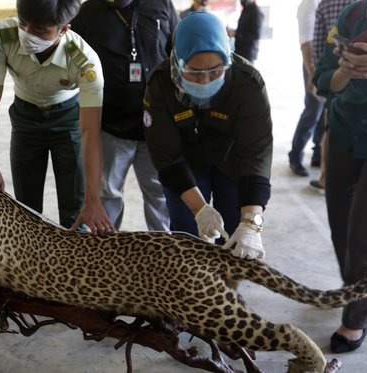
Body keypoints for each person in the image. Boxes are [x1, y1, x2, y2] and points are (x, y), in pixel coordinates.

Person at [0, 0, 115, 234]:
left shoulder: (85, 61)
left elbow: (90, 131)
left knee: (76, 208)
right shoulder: (3, 36)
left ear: (63, 29)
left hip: (68, 119)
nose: (27, 34)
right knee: (25, 210)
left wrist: (93, 198)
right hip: (25, 118)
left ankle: (74, 264)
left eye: (40, 29)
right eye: (23, 23)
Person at [143, 12, 273, 259]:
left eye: (215, 72)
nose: (204, 81)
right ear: (178, 62)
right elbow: (166, 157)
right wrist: (200, 209)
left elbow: (256, 154)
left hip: (232, 160)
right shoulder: (160, 84)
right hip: (185, 163)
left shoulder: (248, 83)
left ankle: (228, 291)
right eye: (193, 72)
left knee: (236, 230)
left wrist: (251, 222)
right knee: (187, 233)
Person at [70, 0, 177, 231]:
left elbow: (175, 54)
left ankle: (163, 257)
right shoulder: (88, 12)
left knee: (160, 195)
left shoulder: (161, 5)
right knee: (107, 195)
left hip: (156, 127)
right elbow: (70, 53)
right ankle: (106, 257)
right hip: (111, 127)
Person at [312, 0, 367, 354]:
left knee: (363, 235)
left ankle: (355, 319)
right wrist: (347, 71)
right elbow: (323, 80)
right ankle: (358, 293)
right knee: (340, 226)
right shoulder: (352, 14)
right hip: (345, 131)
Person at [308, 0, 355, 191]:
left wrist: (315, 75)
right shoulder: (355, 8)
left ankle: (325, 178)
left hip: (335, 78)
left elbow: (318, 46)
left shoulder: (325, 4)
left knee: (330, 129)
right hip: (340, 79)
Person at [288, 0, 325, 178]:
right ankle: (295, 156)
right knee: (313, 111)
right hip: (313, 65)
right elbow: (306, 43)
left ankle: (318, 153)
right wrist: (312, 73)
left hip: (325, 65)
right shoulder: (310, 4)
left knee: (323, 111)